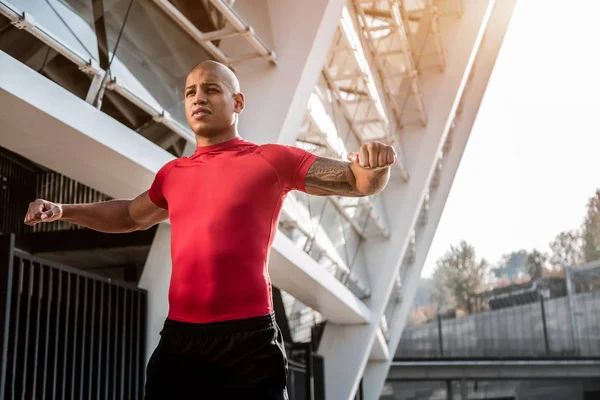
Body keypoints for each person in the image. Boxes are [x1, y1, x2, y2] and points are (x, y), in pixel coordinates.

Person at [23, 60, 397, 399]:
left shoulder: (271, 160)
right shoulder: (173, 175)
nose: (198, 98)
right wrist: (63, 210)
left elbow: (356, 182)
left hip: (248, 342)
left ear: (237, 103)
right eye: (190, 92)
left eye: (211, 89)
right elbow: (128, 216)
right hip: (180, 343)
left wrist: (374, 167)